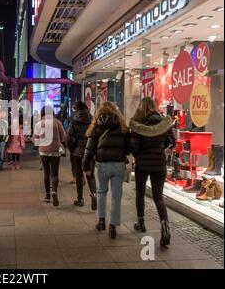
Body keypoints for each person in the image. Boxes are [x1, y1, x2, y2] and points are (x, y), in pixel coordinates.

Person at [129, 97, 175, 247]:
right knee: (158, 197)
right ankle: (165, 227)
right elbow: (170, 140)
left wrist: (138, 156)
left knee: (140, 193)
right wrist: (160, 148)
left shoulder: (139, 124)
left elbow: (134, 147)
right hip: (159, 163)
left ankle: (141, 222)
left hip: (142, 163)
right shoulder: (164, 122)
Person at [83, 102, 130, 240]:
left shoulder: (97, 126)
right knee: (116, 196)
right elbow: (128, 149)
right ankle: (113, 227)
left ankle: (101, 221)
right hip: (118, 165)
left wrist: (86, 166)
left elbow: (89, 149)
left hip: (102, 164)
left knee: (101, 193)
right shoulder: (122, 126)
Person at [33, 105, 66, 207]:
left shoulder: (39, 124)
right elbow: (63, 137)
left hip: (43, 152)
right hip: (55, 151)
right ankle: (54, 192)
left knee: (46, 173)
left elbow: (35, 139)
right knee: (55, 173)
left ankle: (47, 195)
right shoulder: (57, 122)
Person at [67, 101, 97, 209]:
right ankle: (94, 195)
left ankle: (80, 199)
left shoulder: (74, 121)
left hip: (78, 153)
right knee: (90, 174)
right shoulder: (93, 119)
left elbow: (69, 139)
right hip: (90, 152)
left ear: (77, 109)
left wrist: (73, 149)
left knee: (79, 176)